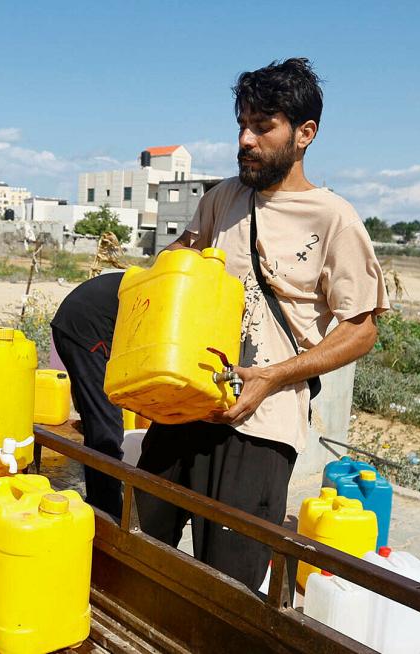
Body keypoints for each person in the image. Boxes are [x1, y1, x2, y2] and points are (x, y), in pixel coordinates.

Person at [135, 58, 390, 590]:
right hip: (184, 406)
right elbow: (176, 276)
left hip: (260, 429)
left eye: (262, 126)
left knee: (229, 585)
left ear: (304, 134)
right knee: (137, 553)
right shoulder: (222, 199)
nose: (245, 140)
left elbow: (361, 328)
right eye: (241, 126)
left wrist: (273, 376)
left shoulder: (334, 219)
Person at [50, 270, 125, 519]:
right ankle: (106, 508)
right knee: (107, 421)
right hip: (87, 326)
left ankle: (100, 493)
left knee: (95, 413)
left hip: (73, 320)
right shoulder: (174, 296)